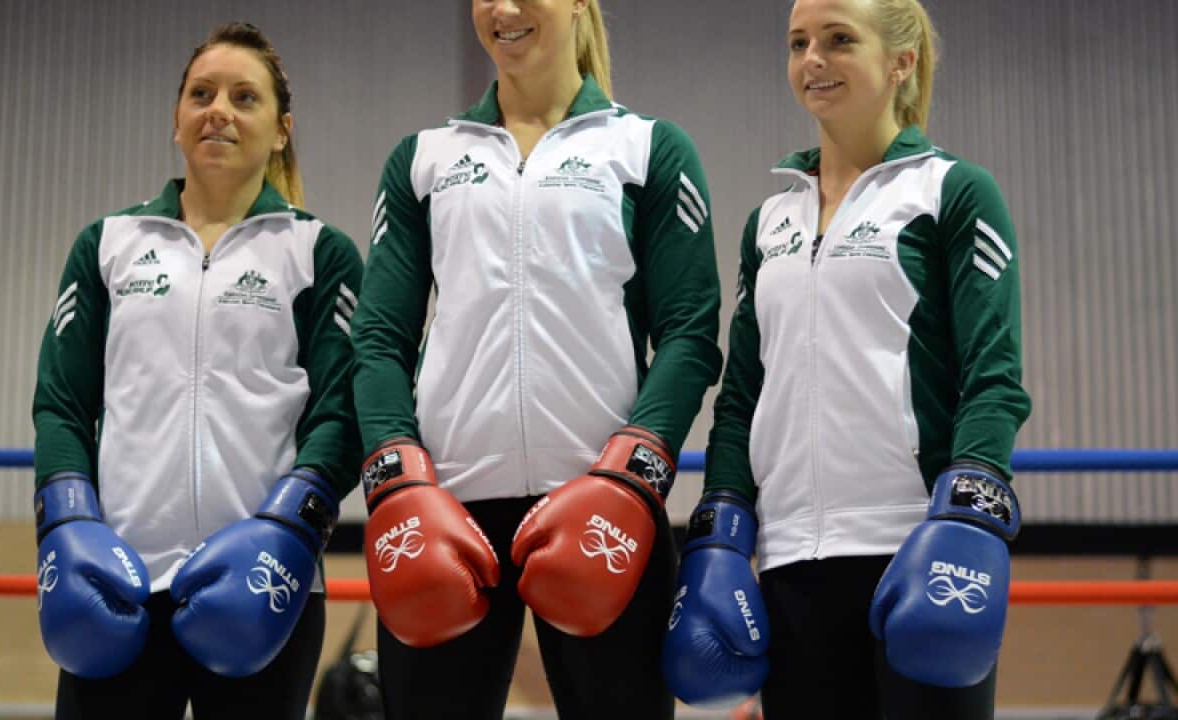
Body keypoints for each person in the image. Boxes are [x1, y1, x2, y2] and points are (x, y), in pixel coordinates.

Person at [350, 0, 722, 717]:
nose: (504, 9)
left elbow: (690, 330)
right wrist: (398, 479)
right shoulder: (425, 158)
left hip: (607, 504)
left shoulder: (646, 149)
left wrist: (632, 475)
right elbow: (377, 339)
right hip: (446, 510)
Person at [662, 0, 1032, 718]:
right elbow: (742, 395)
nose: (812, 60)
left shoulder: (951, 193)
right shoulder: (770, 221)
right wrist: (720, 531)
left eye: (838, 40)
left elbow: (995, 377)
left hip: (916, 547)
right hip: (791, 560)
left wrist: (969, 518)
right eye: (798, 42)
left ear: (901, 61)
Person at [31, 21, 362, 720]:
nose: (219, 109)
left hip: (268, 581)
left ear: (280, 131)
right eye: (201, 93)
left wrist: (289, 527)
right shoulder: (107, 245)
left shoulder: (318, 252)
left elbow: (343, 412)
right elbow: (62, 403)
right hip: (116, 578)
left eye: (245, 97)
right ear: (177, 120)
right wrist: (66, 523)